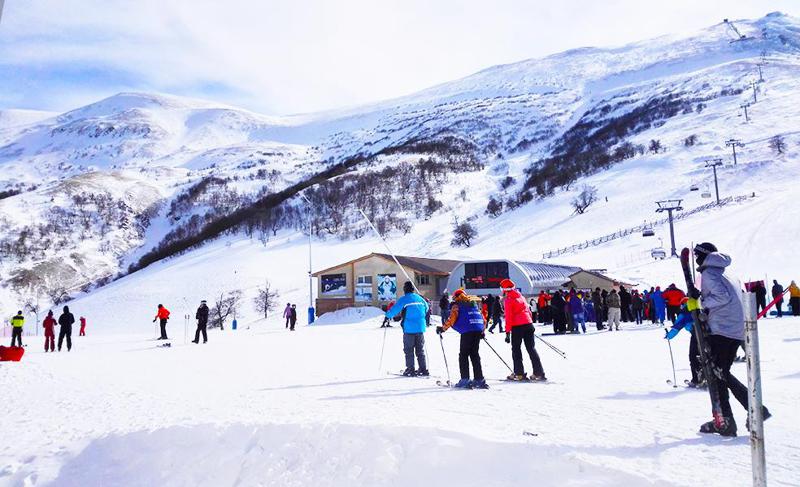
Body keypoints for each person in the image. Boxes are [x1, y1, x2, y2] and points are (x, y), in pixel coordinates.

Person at [692, 242, 771, 436]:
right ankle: (727, 418)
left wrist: (699, 302)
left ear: (704, 256)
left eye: (697, 255)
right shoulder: (728, 273)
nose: (696, 259)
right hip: (735, 329)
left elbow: (722, 297)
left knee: (717, 372)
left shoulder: (709, 273)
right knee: (720, 372)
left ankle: (748, 411)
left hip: (723, 330)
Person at [437, 289, 488, 389]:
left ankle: (465, 380)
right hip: (477, 329)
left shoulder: (457, 306)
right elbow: (483, 318)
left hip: (467, 330)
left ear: (456, 297)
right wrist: (482, 331)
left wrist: (443, 328)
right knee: (474, 354)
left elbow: (452, 319)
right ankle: (479, 379)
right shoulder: (473, 304)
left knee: (463, 355)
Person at [501, 279, 546, 381]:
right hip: (528, 324)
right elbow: (529, 311)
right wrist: (530, 323)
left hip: (517, 326)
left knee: (516, 349)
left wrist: (507, 332)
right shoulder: (521, 297)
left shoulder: (509, 300)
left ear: (505, 289)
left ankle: (519, 373)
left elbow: (509, 317)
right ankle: (539, 372)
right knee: (531, 349)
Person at [386, 281, 430, 376]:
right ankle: (423, 369)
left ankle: (410, 369)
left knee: (409, 350)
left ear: (405, 289)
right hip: (420, 327)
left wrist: (387, 315)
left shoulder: (404, 299)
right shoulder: (420, 298)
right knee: (420, 350)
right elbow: (427, 308)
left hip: (409, 328)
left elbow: (395, 309)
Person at [664, 299, 704, 388]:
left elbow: (677, 327)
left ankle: (696, 380)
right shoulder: (699, 307)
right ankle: (706, 377)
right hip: (708, 335)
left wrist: (668, 336)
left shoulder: (684, 312)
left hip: (696, 335)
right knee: (704, 356)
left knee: (693, 356)